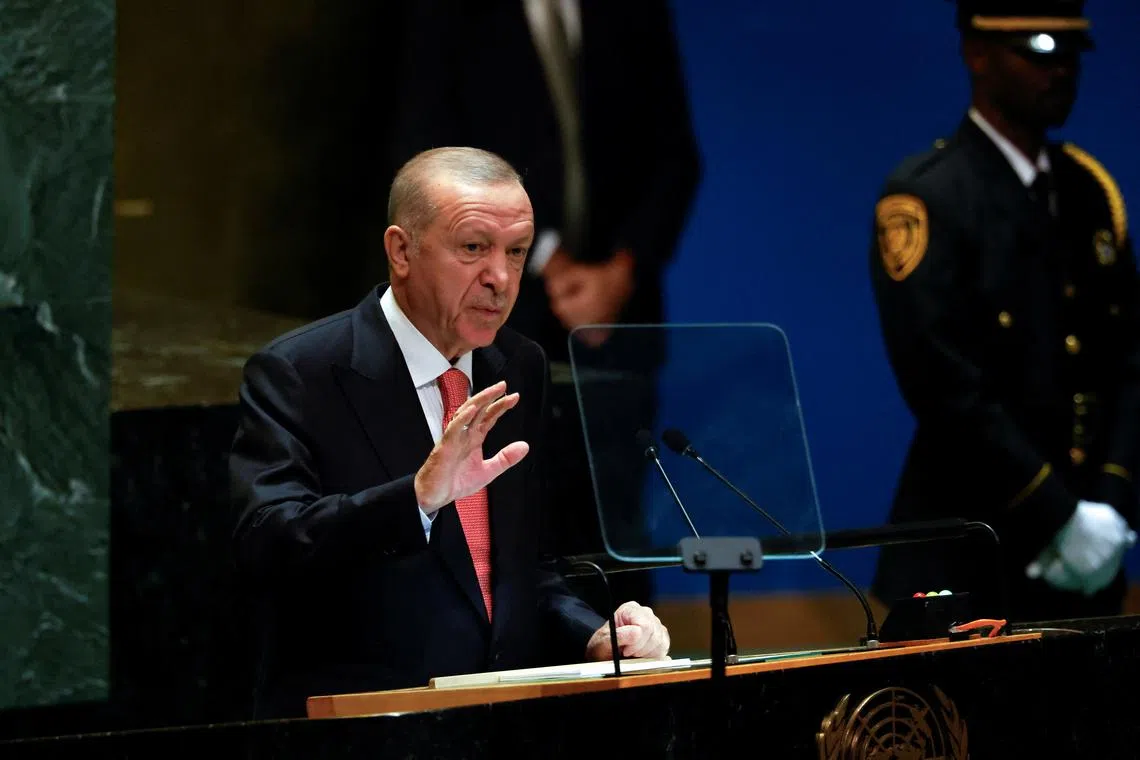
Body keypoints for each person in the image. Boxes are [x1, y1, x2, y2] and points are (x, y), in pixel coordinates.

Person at [229, 147, 670, 719]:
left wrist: (593, 635)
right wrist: (417, 499)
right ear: (401, 250)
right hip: (362, 730)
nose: (501, 278)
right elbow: (268, 545)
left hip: (501, 728)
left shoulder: (520, 366)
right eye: (473, 248)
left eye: (515, 253)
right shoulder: (302, 372)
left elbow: (516, 569)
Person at [381, 0, 702, 607]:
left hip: (617, 323)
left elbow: (675, 154)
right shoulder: (449, 17)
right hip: (493, 328)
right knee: (514, 522)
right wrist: (539, 256)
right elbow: (426, 151)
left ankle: (626, 665)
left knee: (618, 524)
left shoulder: (634, 13)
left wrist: (621, 272)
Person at [869, 0, 1139, 623]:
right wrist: (1058, 516)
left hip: (1091, 560)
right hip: (970, 553)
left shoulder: (1088, 192)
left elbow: (1128, 358)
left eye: (1072, 55)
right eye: (1040, 51)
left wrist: (1110, 505)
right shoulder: (929, 195)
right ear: (977, 53)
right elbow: (942, 385)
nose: (1061, 72)